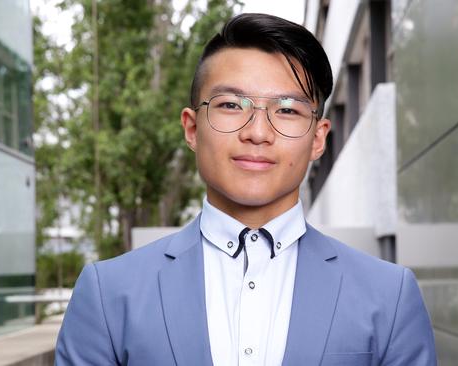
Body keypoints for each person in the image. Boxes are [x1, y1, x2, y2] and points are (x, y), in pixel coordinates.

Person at [55, 13, 436, 366]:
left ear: (318, 138)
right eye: (232, 105)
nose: (257, 132)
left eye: (287, 109)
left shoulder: (390, 295)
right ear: (192, 128)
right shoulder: (107, 293)